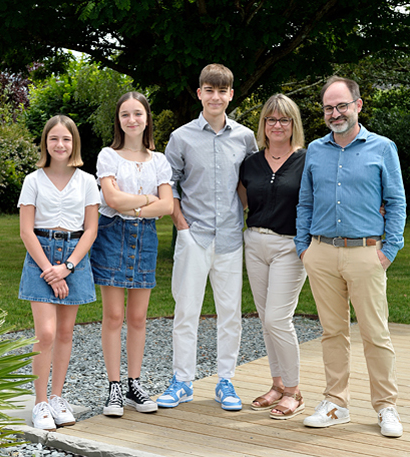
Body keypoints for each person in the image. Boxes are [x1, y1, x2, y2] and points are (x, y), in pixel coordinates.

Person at [295, 76, 407, 437]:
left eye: (342, 105)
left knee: (375, 333)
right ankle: (335, 404)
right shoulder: (315, 149)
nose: (335, 113)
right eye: (328, 107)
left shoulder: (382, 148)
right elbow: (306, 201)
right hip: (322, 253)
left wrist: (388, 251)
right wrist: (304, 248)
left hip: (366, 254)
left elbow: (396, 201)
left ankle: (386, 407)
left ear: (357, 105)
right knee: (332, 333)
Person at [158, 63, 257, 411]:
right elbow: (168, 185)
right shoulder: (181, 137)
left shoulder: (245, 138)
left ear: (231, 94)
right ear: (200, 93)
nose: (216, 97)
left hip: (231, 238)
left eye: (222, 90)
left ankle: (226, 381)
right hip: (194, 237)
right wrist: (181, 225)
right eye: (209, 90)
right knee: (186, 311)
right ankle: (182, 381)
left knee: (230, 313)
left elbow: (251, 184)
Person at [90, 92, 174, 417]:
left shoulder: (160, 160)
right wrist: (146, 201)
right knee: (113, 316)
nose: (132, 120)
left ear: (147, 118)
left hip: (145, 239)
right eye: (125, 114)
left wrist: (134, 205)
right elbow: (110, 199)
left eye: (138, 114)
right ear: (119, 120)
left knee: (138, 317)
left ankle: (133, 384)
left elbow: (167, 206)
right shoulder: (108, 156)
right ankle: (113, 387)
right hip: (112, 235)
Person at [18, 115, 100, 430]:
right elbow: (26, 231)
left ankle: (56, 397)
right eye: (54, 139)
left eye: (66, 139)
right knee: (46, 334)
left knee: (65, 333)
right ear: (46, 143)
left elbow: (91, 229)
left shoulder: (87, 181)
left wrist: (66, 267)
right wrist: (49, 270)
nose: (60, 144)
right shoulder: (33, 180)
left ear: (74, 143)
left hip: (74, 258)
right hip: (40, 257)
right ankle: (39, 403)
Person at [237, 94, 307, 420]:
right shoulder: (250, 163)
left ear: (294, 125)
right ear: (263, 124)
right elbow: (242, 200)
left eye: (284, 120)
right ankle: (277, 385)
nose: (277, 125)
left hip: (289, 246)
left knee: (279, 319)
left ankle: (294, 391)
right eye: (271, 119)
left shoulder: (307, 160)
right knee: (266, 320)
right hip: (255, 243)